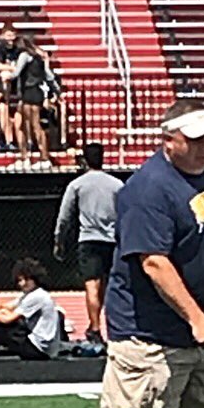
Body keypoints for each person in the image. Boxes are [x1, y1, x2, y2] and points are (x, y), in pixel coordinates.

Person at [96, 101, 204, 408]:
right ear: (167, 141)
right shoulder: (147, 189)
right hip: (150, 335)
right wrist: (197, 320)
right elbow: (154, 262)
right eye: (195, 140)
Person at [53, 140, 123, 345]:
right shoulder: (116, 185)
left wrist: (59, 239)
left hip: (89, 239)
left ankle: (94, 328)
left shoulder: (77, 184)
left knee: (92, 285)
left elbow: (64, 216)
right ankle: (114, 327)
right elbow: (126, 212)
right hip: (111, 240)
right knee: (110, 286)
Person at [0, 257, 66, 361]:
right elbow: (6, 307)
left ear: (35, 278)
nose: (22, 284)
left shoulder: (37, 296)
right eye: (19, 280)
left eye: (26, 280)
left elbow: (7, 319)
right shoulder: (29, 295)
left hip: (40, 349)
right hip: (41, 345)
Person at [12, 32, 55, 165]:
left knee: (31, 125)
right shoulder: (39, 57)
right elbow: (49, 76)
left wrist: (6, 73)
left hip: (29, 91)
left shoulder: (24, 56)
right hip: (38, 91)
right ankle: (39, 156)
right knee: (33, 124)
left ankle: (43, 157)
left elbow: (16, 73)